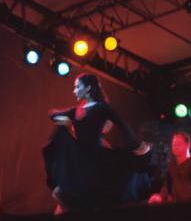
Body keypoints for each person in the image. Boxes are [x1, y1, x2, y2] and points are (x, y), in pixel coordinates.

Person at [42, 73, 153, 213]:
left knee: (73, 196)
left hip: (95, 170)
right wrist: (61, 118)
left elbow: (122, 125)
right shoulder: (76, 112)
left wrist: (138, 146)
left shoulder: (101, 110)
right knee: (63, 194)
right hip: (81, 169)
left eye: (77, 87)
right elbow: (53, 114)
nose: (74, 91)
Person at [148, 131, 191, 204]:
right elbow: (166, 184)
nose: (175, 146)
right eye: (173, 144)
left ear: (187, 145)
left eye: (178, 144)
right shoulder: (172, 163)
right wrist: (161, 197)